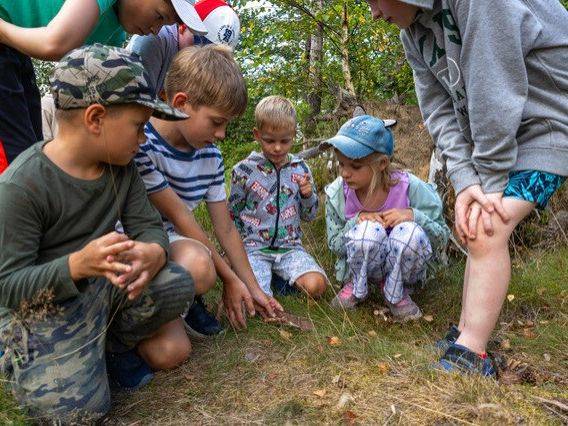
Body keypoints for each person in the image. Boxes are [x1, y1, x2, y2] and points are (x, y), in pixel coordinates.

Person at [366, 0, 568, 374]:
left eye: (373, 0)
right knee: (477, 224)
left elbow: (496, 86)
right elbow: (438, 111)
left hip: (551, 125)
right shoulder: (412, 33)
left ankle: (473, 353)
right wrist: (465, 182)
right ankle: (465, 333)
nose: (373, 14)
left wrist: (489, 177)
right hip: (502, 135)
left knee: (490, 225)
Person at [0, 44, 195, 421]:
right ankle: (36, 364)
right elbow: (8, 285)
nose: (143, 139)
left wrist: (154, 252)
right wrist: (75, 265)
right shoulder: (22, 187)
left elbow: (150, 228)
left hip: (99, 289)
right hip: (37, 312)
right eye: (138, 127)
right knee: (78, 413)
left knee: (176, 283)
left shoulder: (121, 169)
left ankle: (110, 349)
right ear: (95, 118)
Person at [135, 45, 282, 336]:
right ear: (180, 103)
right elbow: (181, 218)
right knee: (201, 265)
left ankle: (179, 306)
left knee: (173, 349)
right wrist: (229, 279)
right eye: (216, 122)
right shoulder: (140, 142)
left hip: (174, 245)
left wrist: (254, 289)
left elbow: (225, 228)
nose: (221, 134)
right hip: (140, 240)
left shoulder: (210, 157)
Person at [0, 0, 207, 171]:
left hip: (15, 49)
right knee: (17, 165)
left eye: (165, 25)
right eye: (160, 16)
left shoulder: (114, 35)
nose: (155, 30)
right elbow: (54, 44)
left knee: (33, 155)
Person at [325, 115, 449, 321]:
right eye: (341, 164)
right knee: (366, 231)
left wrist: (414, 216)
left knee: (409, 233)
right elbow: (334, 245)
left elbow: (442, 238)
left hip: (407, 268)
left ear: (382, 163)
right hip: (363, 264)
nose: (345, 173)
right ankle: (357, 286)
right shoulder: (339, 193)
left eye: (355, 166)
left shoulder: (410, 188)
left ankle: (398, 292)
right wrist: (356, 221)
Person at [229, 96, 327, 298]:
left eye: (285, 141)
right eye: (269, 140)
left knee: (316, 286)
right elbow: (232, 214)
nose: (277, 148)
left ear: (294, 135)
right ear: (257, 135)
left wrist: (307, 195)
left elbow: (310, 215)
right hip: (254, 248)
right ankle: (270, 281)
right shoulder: (244, 170)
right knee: (256, 298)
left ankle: (279, 278)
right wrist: (236, 253)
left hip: (289, 248)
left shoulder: (300, 168)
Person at [128, 0, 241, 98]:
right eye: (199, 44)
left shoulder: (204, 68)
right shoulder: (153, 38)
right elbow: (128, 103)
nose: (204, 58)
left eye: (215, 56)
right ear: (184, 26)